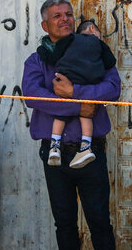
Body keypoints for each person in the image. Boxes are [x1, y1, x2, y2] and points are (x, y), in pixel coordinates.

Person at [22, 0, 123, 250]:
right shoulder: (36, 60)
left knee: (99, 222)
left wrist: (75, 92)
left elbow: (112, 88)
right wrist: (82, 105)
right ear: (44, 25)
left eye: (68, 14)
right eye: (57, 16)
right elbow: (34, 97)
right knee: (63, 222)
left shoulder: (92, 50)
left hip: (90, 150)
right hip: (53, 154)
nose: (64, 19)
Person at [47, 19, 117, 169]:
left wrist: (43, 52)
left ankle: (54, 147)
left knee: (61, 113)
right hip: (89, 81)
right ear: (92, 29)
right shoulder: (99, 43)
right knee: (86, 114)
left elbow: (54, 56)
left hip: (67, 79)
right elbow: (111, 62)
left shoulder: (70, 39)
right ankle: (85, 148)